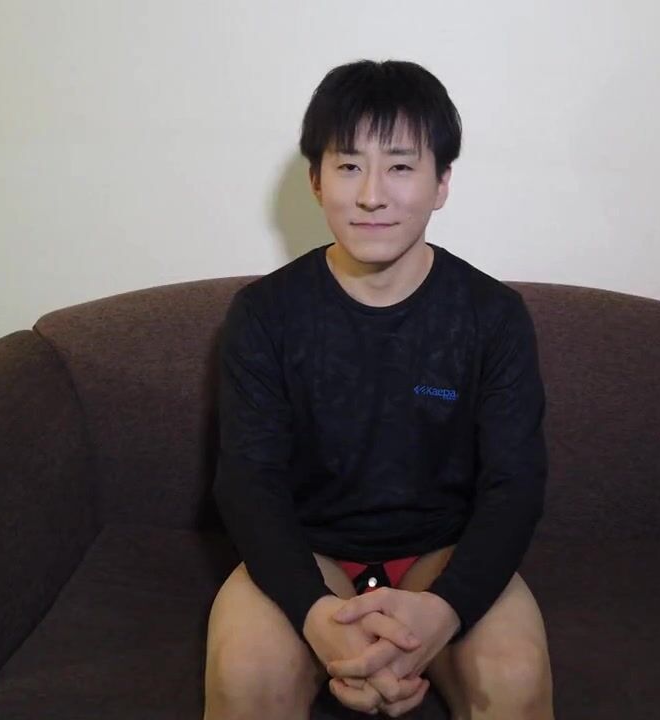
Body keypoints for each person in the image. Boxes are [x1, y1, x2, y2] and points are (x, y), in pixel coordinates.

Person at [204, 59, 554, 719]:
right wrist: (315, 614)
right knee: (246, 673)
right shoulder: (264, 314)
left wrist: (445, 610)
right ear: (315, 180)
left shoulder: (493, 316)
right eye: (347, 165)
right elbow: (248, 483)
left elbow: (516, 484)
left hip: (442, 551)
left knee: (514, 677)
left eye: (399, 166)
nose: (372, 195)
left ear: (441, 182)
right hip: (307, 551)